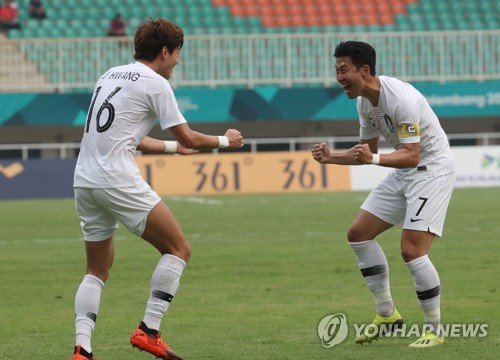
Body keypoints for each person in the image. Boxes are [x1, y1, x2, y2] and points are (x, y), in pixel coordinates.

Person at [71, 18, 244, 360]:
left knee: (96, 270)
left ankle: (82, 349)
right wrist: (227, 140)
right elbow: (189, 136)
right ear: (165, 51)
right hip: (117, 179)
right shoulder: (156, 83)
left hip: (84, 180)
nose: (177, 61)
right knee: (178, 248)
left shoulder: (110, 75)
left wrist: (171, 149)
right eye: (177, 53)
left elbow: (130, 136)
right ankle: (149, 330)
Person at [312, 41, 455, 348]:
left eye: (343, 70)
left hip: (432, 171)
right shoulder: (364, 102)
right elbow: (369, 152)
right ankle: (387, 315)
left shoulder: (400, 99)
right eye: (336, 70)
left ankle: (434, 330)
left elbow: (413, 155)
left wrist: (373, 160)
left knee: (412, 250)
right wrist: (331, 157)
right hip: (404, 170)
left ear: (364, 70)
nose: (338, 77)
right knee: (359, 233)